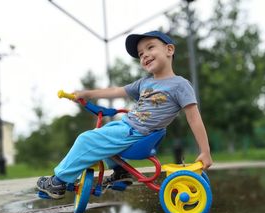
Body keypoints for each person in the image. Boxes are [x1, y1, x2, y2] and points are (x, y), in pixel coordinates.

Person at [37, 30, 213, 199]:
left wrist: (205, 151)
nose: (144, 55)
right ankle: (120, 173)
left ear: (169, 49)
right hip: (127, 127)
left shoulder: (180, 85)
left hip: (136, 133)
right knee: (104, 134)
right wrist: (87, 93)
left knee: (86, 140)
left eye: (150, 47)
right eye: (140, 53)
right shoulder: (145, 82)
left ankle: (58, 182)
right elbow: (116, 91)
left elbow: (193, 117)